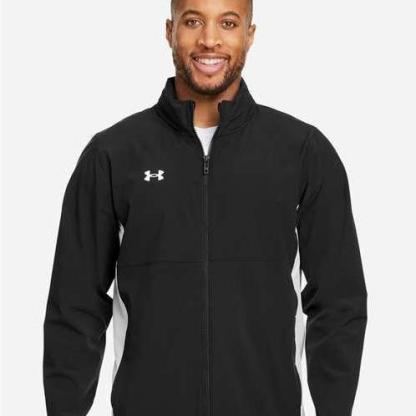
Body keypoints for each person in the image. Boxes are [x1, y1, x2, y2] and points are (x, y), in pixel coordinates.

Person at [42, 0, 368, 415]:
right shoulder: (113, 154)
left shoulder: (302, 152)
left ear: (249, 34)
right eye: (193, 21)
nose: (210, 39)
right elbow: (74, 304)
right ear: (169, 31)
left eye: (228, 23)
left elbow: (339, 302)